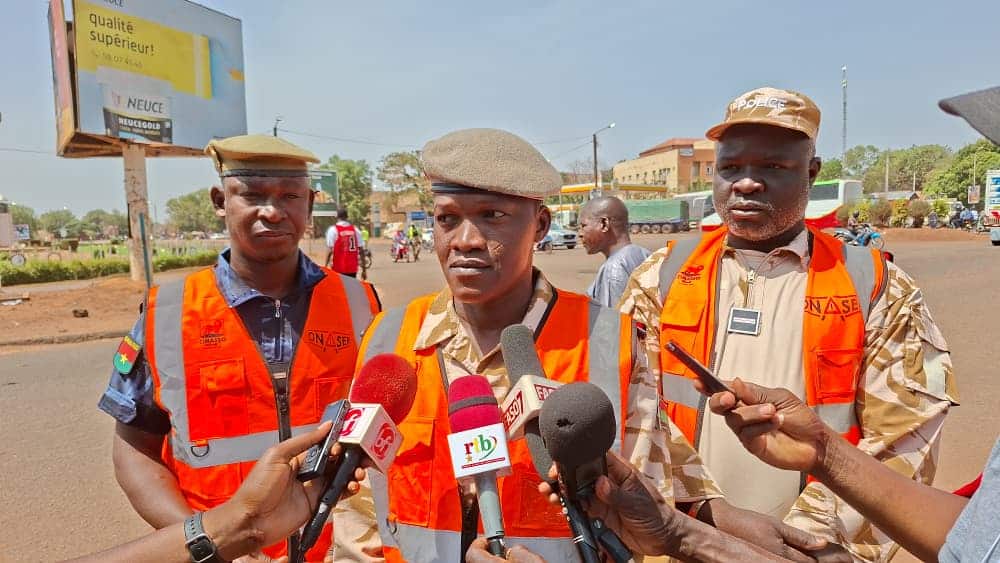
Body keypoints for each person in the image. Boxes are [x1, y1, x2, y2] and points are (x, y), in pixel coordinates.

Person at [332, 128, 819, 562]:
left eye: (492, 216)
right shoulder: (388, 337)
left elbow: (652, 516)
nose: (466, 240)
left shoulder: (611, 340)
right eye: (447, 219)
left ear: (540, 225)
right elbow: (358, 521)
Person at [620, 86, 957, 560]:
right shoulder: (661, 276)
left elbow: (904, 438)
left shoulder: (878, 286)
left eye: (773, 167)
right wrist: (707, 518)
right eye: (731, 167)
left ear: (812, 173)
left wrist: (800, 540)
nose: (746, 183)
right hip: (680, 541)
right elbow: (633, 414)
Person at [98, 134, 381, 562]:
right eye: (252, 194)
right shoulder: (169, 315)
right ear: (219, 199)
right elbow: (135, 448)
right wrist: (209, 542)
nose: (272, 210)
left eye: (290, 195)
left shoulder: (362, 305)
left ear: (310, 202)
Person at [67, 423, 367, 563]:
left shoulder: (357, 299)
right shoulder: (168, 306)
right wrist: (233, 541)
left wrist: (242, 528)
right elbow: (136, 447)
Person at [578, 196, 651, 307]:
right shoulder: (645, 254)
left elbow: (613, 321)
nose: (580, 233)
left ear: (604, 224)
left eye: (584, 226)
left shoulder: (614, 269)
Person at [326, 207, 366, 279]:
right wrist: (364, 270)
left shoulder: (333, 230)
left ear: (337, 217)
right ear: (347, 217)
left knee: (339, 289)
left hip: (338, 267)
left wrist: (325, 266)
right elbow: (361, 251)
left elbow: (330, 250)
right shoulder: (355, 230)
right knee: (350, 289)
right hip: (352, 268)